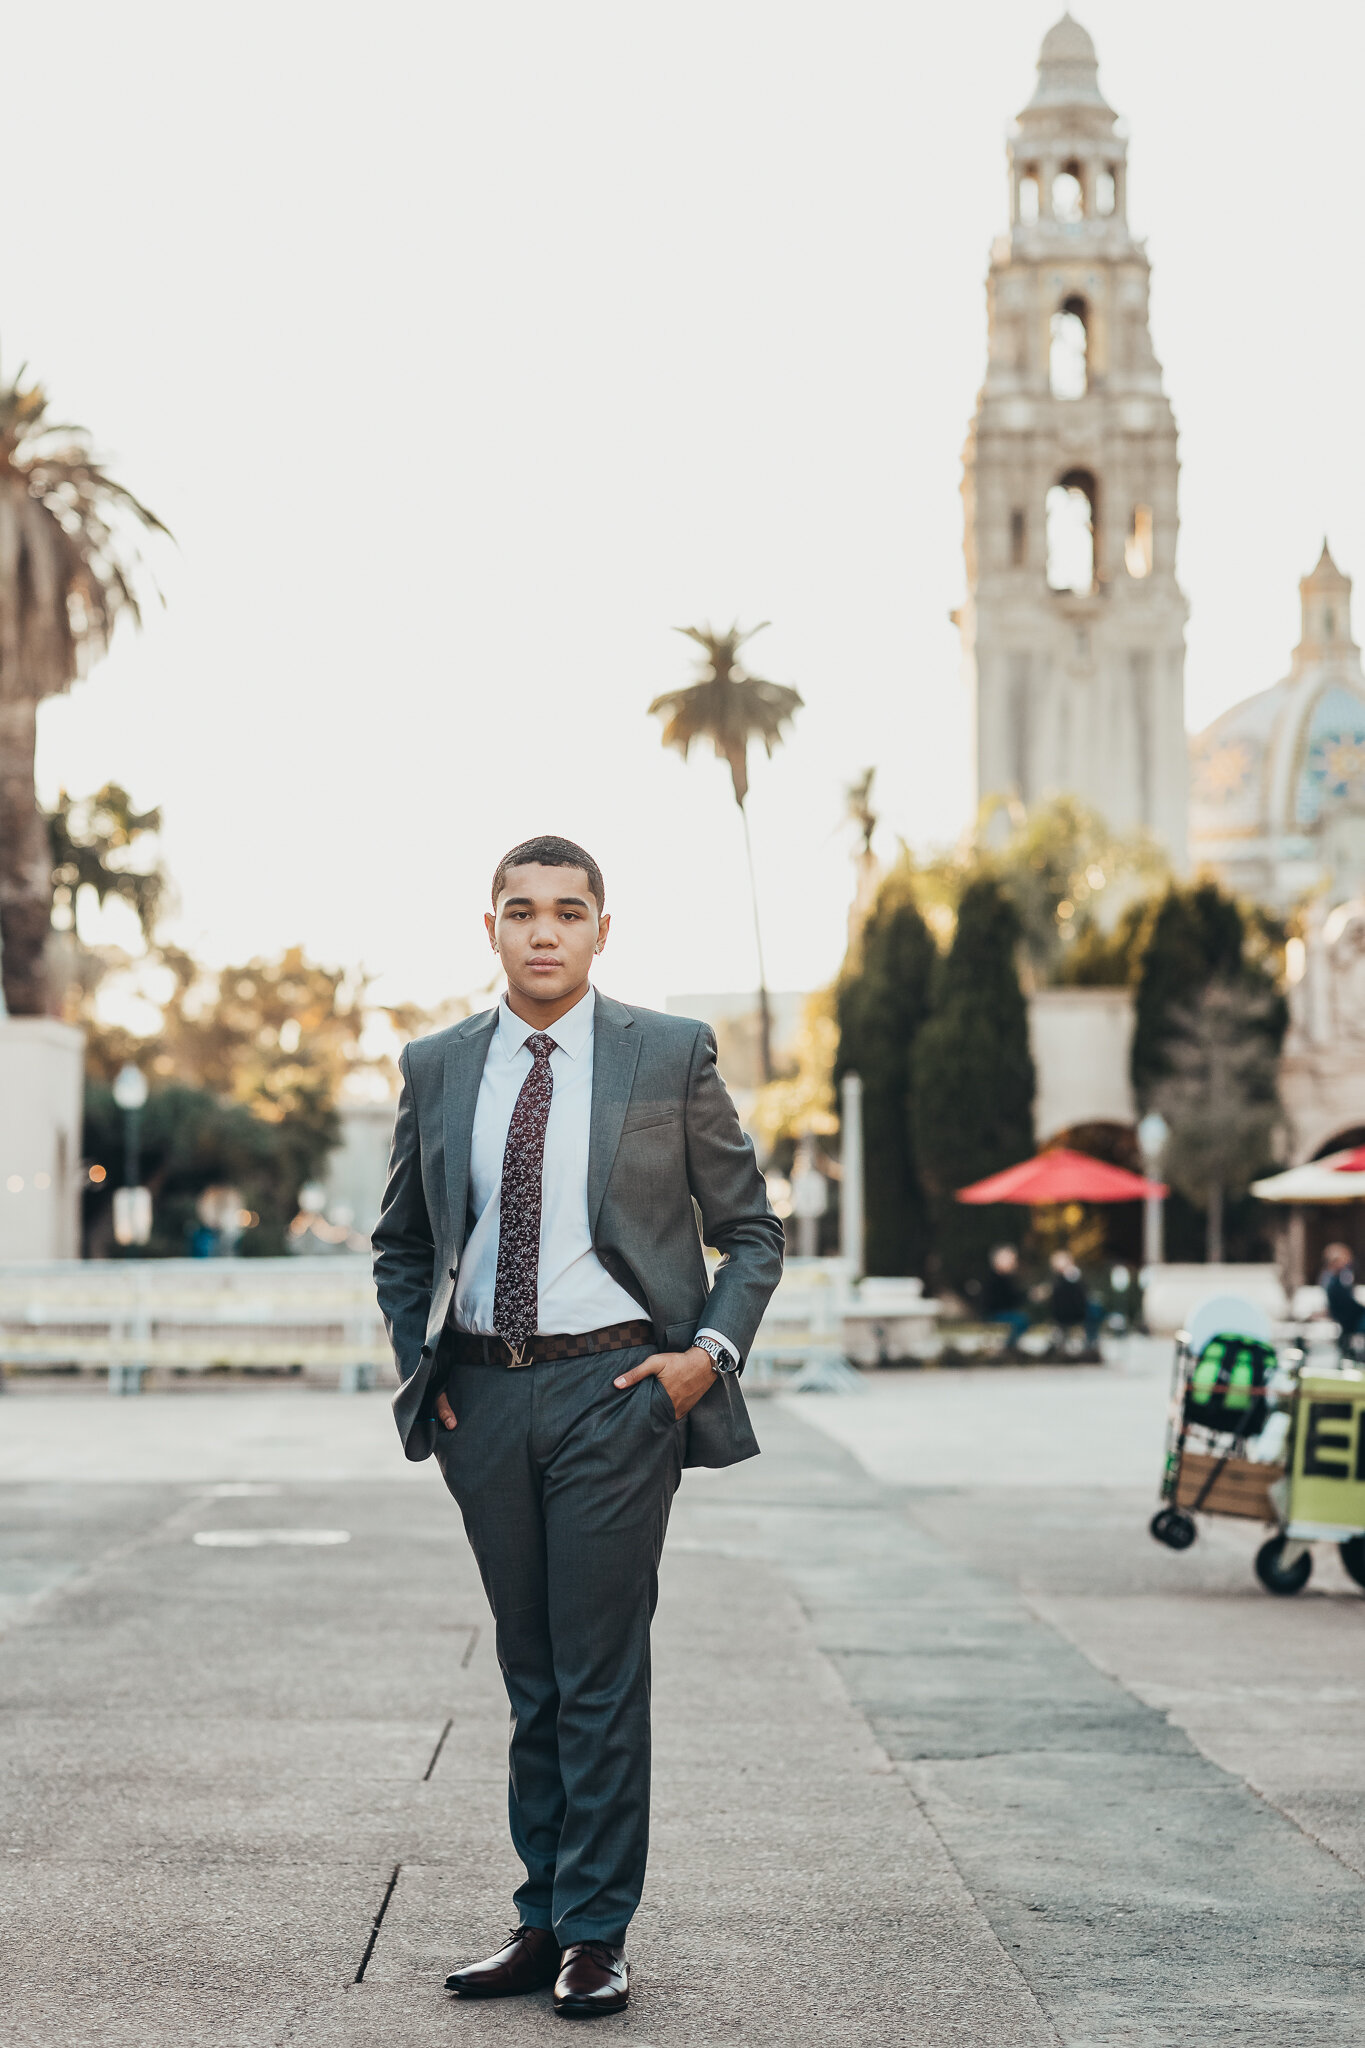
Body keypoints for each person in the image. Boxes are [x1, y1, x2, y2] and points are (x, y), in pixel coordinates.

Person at [372, 834, 783, 2020]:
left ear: (605, 928)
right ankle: (540, 1914)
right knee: (532, 1669)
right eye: (521, 911)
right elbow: (404, 1242)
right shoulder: (439, 1064)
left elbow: (750, 1229)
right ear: (489, 928)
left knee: (598, 1670)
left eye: (567, 910)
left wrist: (701, 1360)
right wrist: (426, 1368)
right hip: (485, 1398)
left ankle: (596, 1933)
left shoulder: (666, 1052)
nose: (543, 930)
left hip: (621, 1392)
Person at [1049, 1249, 1101, 1347]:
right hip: (1067, 1312)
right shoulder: (1061, 1278)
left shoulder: (1072, 1275)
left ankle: (1091, 1341)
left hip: (1076, 1309)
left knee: (1095, 1310)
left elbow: (1083, 1292)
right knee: (1093, 1311)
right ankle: (1091, 1342)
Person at [983, 1243, 1030, 1349]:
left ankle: (1010, 1346)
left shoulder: (1006, 1278)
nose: (1013, 1263)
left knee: (1022, 1318)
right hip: (995, 1314)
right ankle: (1008, 1346)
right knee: (1022, 1320)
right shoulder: (994, 1279)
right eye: (1011, 1259)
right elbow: (1006, 1300)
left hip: (1002, 1312)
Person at [1321, 1242, 1363, 1358]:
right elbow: (1343, 1303)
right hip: (1347, 1317)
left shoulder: (1340, 1277)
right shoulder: (1332, 1280)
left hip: (1350, 1316)